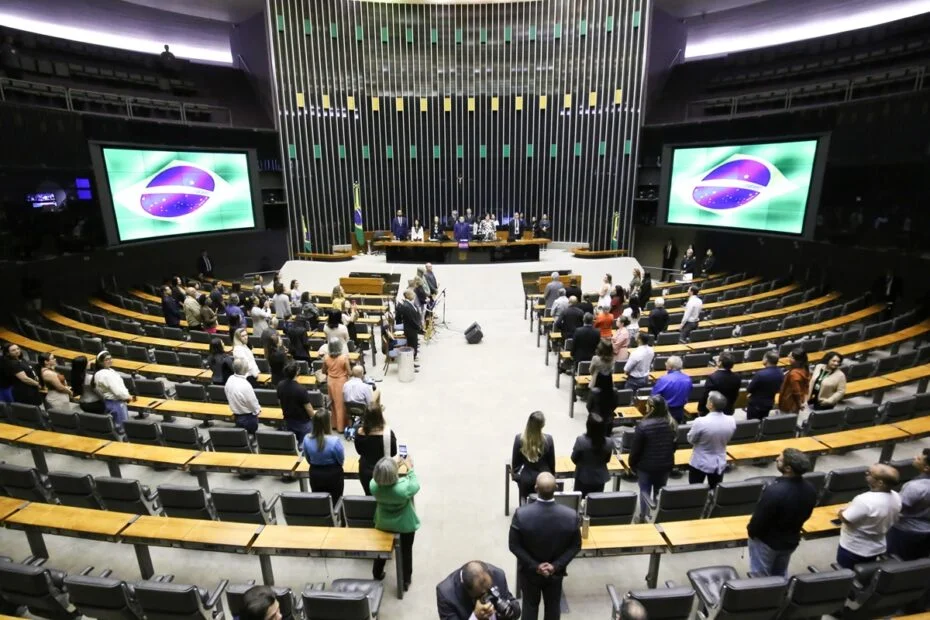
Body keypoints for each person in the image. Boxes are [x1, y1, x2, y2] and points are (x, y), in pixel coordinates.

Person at [509, 472, 582, 620]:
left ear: (536, 488)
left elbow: (514, 545)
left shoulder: (522, 514)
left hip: (530, 573)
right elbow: (576, 546)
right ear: (556, 487)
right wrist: (556, 566)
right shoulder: (571, 516)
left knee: (529, 606)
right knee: (553, 606)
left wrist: (535, 566)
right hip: (555, 573)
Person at [746, 448, 817, 576]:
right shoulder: (811, 488)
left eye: (780, 459)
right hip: (791, 539)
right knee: (780, 573)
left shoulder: (774, 491)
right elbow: (807, 515)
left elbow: (759, 520)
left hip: (767, 542)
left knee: (761, 578)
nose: (777, 459)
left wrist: (751, 532)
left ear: (788, 468)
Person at [836, 464, 901, 568]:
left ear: (880, 483)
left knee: (846, 572)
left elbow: (845, 519)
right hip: (877, 546)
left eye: (869, 473)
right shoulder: (897, 496)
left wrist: (840, 511)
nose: (866, 474)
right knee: (865, 572)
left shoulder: (864, 500)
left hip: (853, 547)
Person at [371, 455, 420, 591]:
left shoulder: (374, 486)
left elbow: (382, 478)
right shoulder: (403, 488)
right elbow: (415, 484)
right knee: (406, 551)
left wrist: (393, 464)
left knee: (380, 549)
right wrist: (409, 468)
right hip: (405, 525)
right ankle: (405, 580)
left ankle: (377, 572)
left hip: (383, 523)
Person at [630, 395, 677, 516]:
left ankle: (644, 517)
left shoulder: (643, 426)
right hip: (665, 466)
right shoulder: (671, 423)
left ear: (651, 408)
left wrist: (632, 466)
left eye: (646, 405)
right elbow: (674, 447)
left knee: (644, 491)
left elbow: (636, 450)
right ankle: (656, 516)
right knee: (659, 492)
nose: (645, 406)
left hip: (646, 467)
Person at [436, 561, 520, 620]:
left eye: (490, 589)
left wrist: (508, 612)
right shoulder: (446, 594)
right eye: (482, 595)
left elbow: (513, 605)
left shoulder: (498, 574)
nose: (488, 596)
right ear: (467, 590)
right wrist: (476, 617)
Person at [886, 448, 930, 560]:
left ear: (926, 468)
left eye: (919, 458)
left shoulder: (916, 487)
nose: (915, 457)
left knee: (896, 560)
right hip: (926, 531)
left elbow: (898, 507)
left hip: (906, 531)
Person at [687, 391, 736, 488]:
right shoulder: (731, 420)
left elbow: (691, 439)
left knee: (695, 489)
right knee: (715, 489)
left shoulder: (700, 421)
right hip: (719, 461)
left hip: (700, 461)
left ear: (710, 405)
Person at [300, 408, 345, 502]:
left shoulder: (306, 439)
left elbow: (308, 459)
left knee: (319, 502)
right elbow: (341, 460)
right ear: (327, 423)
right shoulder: (335, 441)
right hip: (333, 475)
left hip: (315, 474)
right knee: (336, 501)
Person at [511, 411, 555, 502]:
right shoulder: (549, 440)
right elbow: (552, 464)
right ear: (542, 425)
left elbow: (515, 464)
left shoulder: (519, 439)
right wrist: (551, 476)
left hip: (526, 479)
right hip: (544, 479)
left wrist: (519, 478)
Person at [354, 405, 396, 496]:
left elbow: (359, 451)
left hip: (365, 471)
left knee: (369, 495)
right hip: (383, 471)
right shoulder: (388, 434)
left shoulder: (359, 432)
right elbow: (393, 453)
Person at [571, 414, 612, 498]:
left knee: (579, 501)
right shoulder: (608, 442)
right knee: (595, 502)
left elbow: (574, 458)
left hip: (583, 477)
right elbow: (607, 460)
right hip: (600, 478)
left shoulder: (581, 440)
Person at [93, 351, 132, 430]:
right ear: (100, 362)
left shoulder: (104, 372)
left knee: (116, 425)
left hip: (109, 402)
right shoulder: (106, 375)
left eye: (110, 358)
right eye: (107, 359)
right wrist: (127, 397)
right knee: (122, 428)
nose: (110, 361)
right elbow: (117, 391)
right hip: (116, 403)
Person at [276, 362, 314, 444]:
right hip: (303, 422)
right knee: (305, 444)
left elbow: (279, 402)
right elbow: (308, 408)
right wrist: (314, 419)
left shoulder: (280, 385)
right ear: (297, 372)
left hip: (288, 420)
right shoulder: (301, 389)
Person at [650, 356, 691, 423]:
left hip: (664, 413)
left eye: (666, 363)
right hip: (680, 411)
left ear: (669, 367)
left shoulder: (664, 379)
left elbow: (653, 396)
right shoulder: (688, 379)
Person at [322, 337, 351, 432]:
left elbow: (323, 371)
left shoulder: (326, 357)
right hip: (341, 382)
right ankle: (341, 427)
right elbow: (349, 372)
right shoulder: (344, 358)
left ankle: (334, 424)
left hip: (330, 381)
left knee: (333, 404)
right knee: (341, 405)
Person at [225, 358, 261, 433]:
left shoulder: (230, 379)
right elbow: (252, 402)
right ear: (246, 369)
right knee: (251, 435)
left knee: (242, 436)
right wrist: (257, 411)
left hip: (236, 415)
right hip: (248, 417)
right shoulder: (245, 385)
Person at [746, 351, 784, 420]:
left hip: (756, 404)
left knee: (752, 424)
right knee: (763, 420)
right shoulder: (780, 373)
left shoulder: (760, 374)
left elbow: (749, 389)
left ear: (766, 360)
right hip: (769, 403)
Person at [396, 289, 424, 363]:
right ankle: (411, 364)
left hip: (412, 329)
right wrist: (418, 327)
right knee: (412, 347)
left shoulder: (409, 303)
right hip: (410, 330)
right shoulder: (406, 306)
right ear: (408, 296)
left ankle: (413, 361)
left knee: (414, 346)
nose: (414, 295)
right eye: (412, 294)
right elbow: (411, 319)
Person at [779, 349, 811, 414]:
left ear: (796, 360)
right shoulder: (804, 368)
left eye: (790, 357)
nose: (788, 357)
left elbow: (796, 392)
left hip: (789, 402)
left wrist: (800, 404)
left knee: (786, 419)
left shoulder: (794, 374)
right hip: (797, 401)